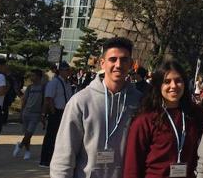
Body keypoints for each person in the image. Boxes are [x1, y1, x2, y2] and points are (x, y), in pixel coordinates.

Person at [51, 37, 142, 178]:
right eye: (113, 59)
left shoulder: (140, 101)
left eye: (124, 60)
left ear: (131, 64)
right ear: (102, 63)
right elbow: (64, 155)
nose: (118, 64)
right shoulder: (81, 101)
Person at [123, 60, 203, 178]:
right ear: (159, 85)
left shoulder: (196, 114)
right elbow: (132, 165)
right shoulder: (145, 119)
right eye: (167, 81)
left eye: (178, 81)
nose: (173, 86)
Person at [39, 61, 73, 167]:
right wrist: (52, 112)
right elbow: (49, 98)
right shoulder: (54, 82)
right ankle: (45, 160)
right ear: (61, 71)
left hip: (64, 111)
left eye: (69, 70)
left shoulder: (67, 82)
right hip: (57, 112)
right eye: (67, 70)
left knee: (62, 136)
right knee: (51, 136)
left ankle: (55, 158)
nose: (69, 72)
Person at [13, 69, 44, 160]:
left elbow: (44, 101)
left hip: (36, 114)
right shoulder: (30, 88)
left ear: (38, 77)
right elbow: (24, 101)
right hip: (26, 112)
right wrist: (21, 112)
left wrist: (42, 114)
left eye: (33, 75)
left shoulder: (43, 88)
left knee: (29, 133)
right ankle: (27, 151)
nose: (31, 77)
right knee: (27, 133)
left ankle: (20, 145)